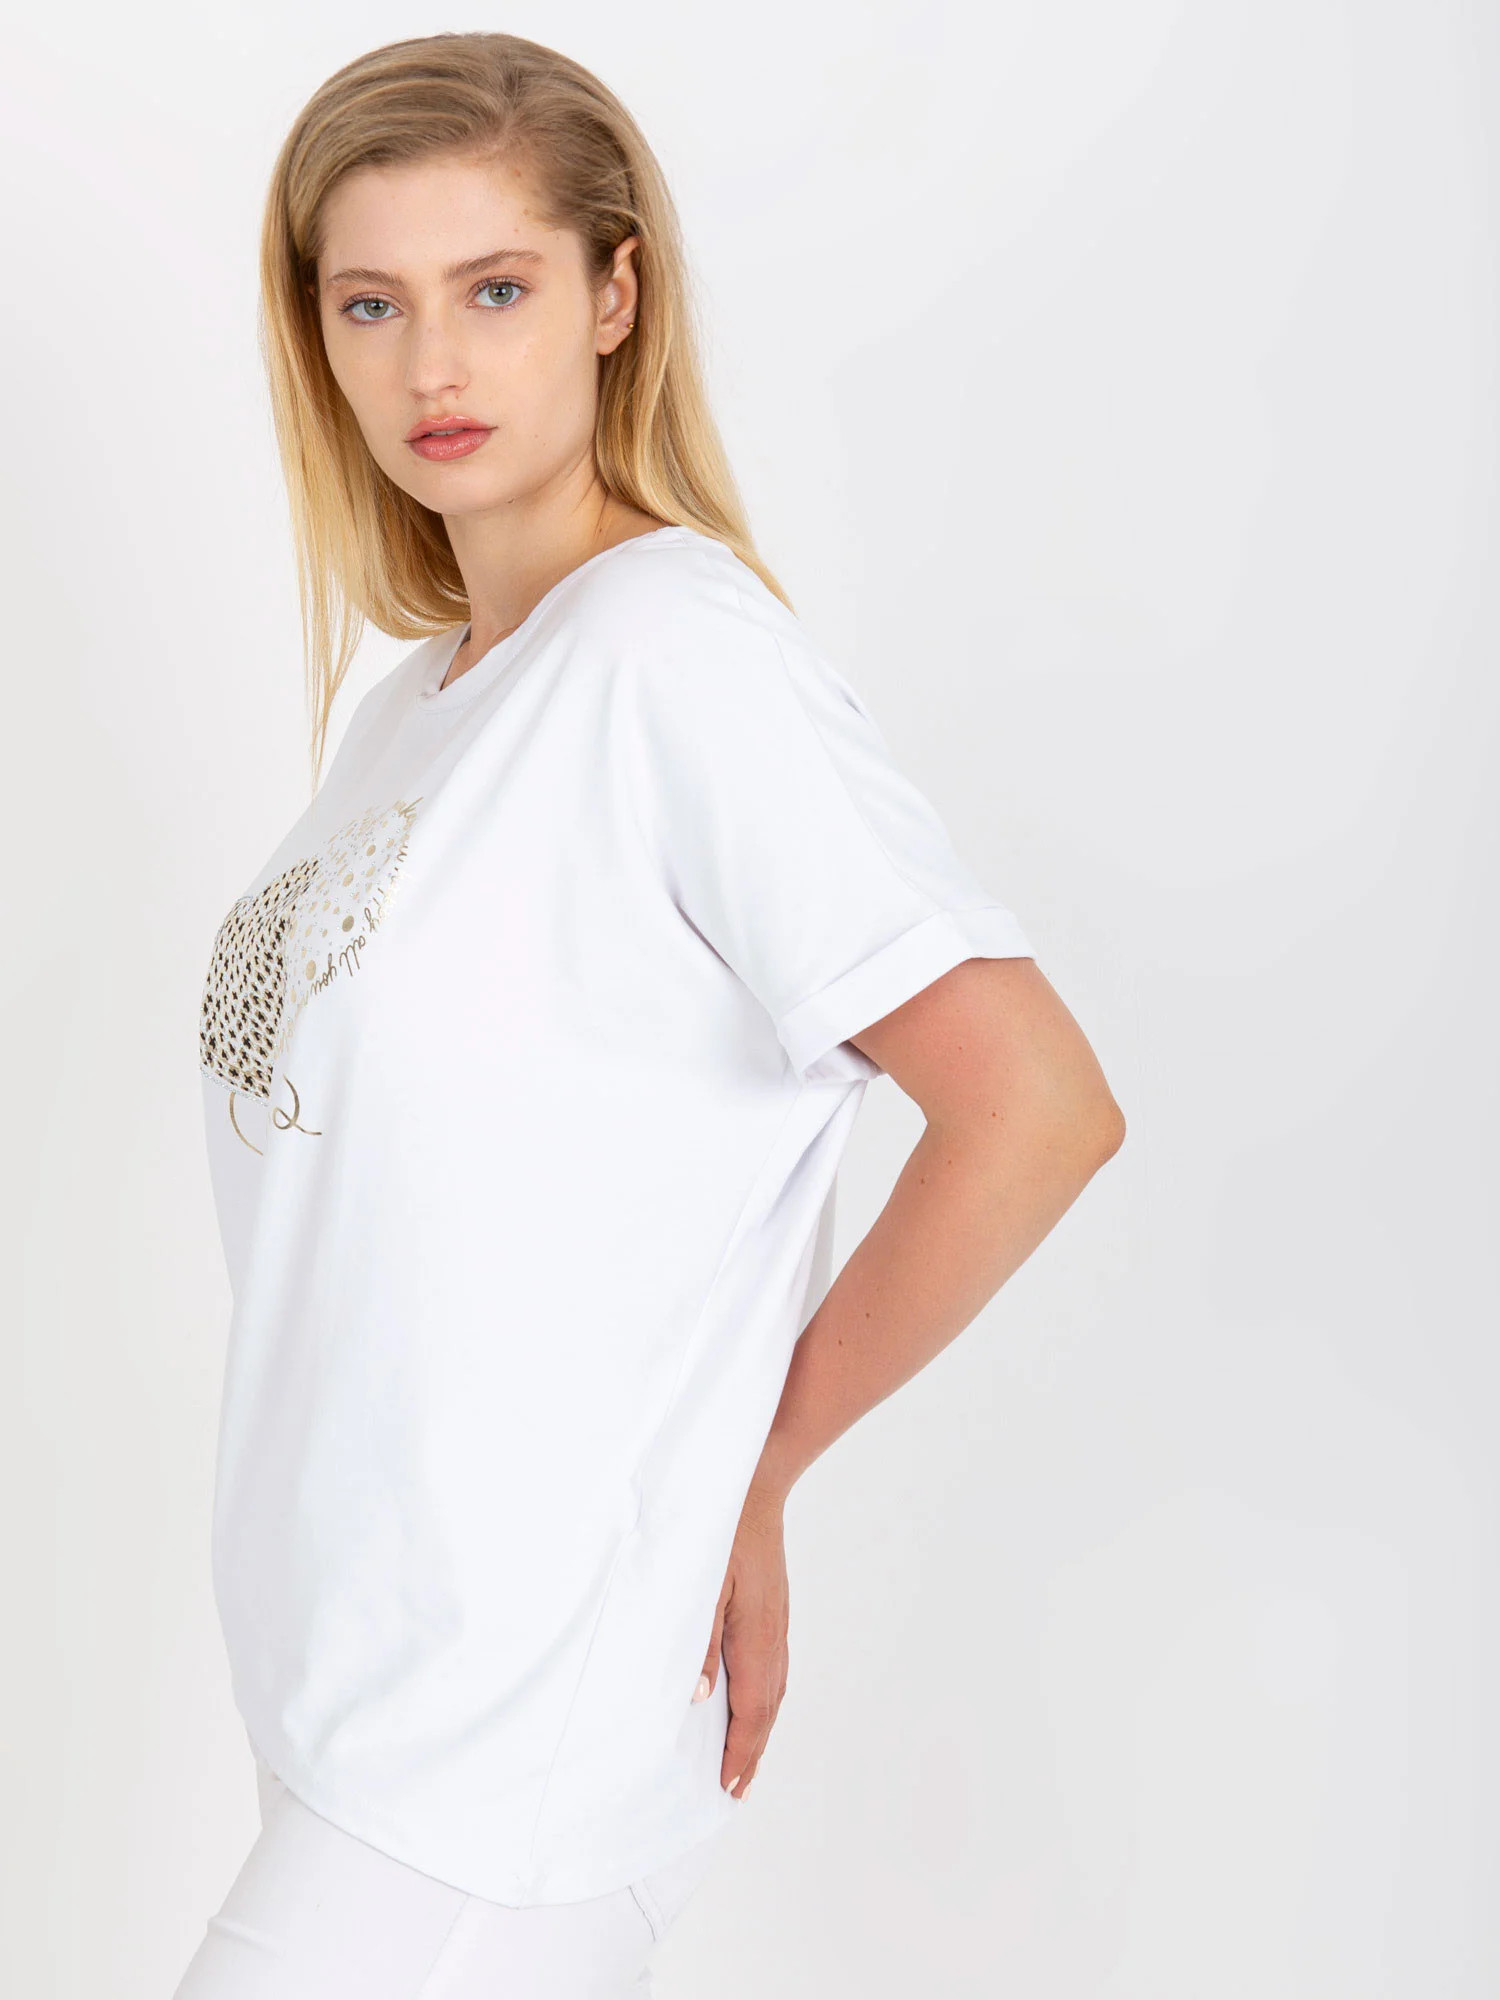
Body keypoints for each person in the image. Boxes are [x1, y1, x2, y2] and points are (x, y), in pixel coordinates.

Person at [172, 28, 1125, 2000]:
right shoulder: (417, 707)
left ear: (615, 297)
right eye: (373, 304)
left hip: (517, 1734)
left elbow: (1032, 1102)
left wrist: (759, 1463)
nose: (431, 367)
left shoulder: (675, 657)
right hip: (352, 1705)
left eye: (495, 290)